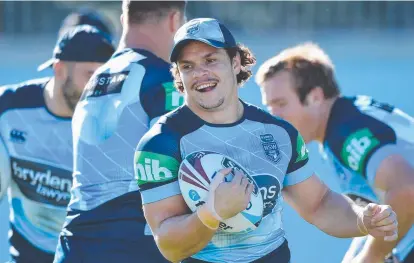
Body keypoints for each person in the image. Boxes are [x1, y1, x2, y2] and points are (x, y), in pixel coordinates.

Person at [134, 18, 399, 263]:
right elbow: (169, 246)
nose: (200, 73)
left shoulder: (278, 132)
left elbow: (319, 204)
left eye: (211, 60)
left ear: (236, 62)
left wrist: (363, 220)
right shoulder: (160, 143)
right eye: (188, 66)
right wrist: (212, 213)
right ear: (178, 74)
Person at [256, 42, 414, 263]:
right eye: (269, 107)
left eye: (281, 104)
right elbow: (380, 213)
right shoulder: (345, 120)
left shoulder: (346, 132)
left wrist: (372, 257)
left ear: (315, 97)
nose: (273, 117)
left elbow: (406, 189)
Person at [53, 1, 186, 263]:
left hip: (73, 248)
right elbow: (188, 169)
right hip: (132, 247)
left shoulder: (94, 78)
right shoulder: (163, 79)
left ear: (124, 19)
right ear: (174, 21)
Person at [0, 25, 114, 263]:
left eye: (104, 78)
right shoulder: (8, 108)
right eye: (90, 75)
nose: (98, 89)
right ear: (60, 69)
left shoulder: (113, 121)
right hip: (28, 255)